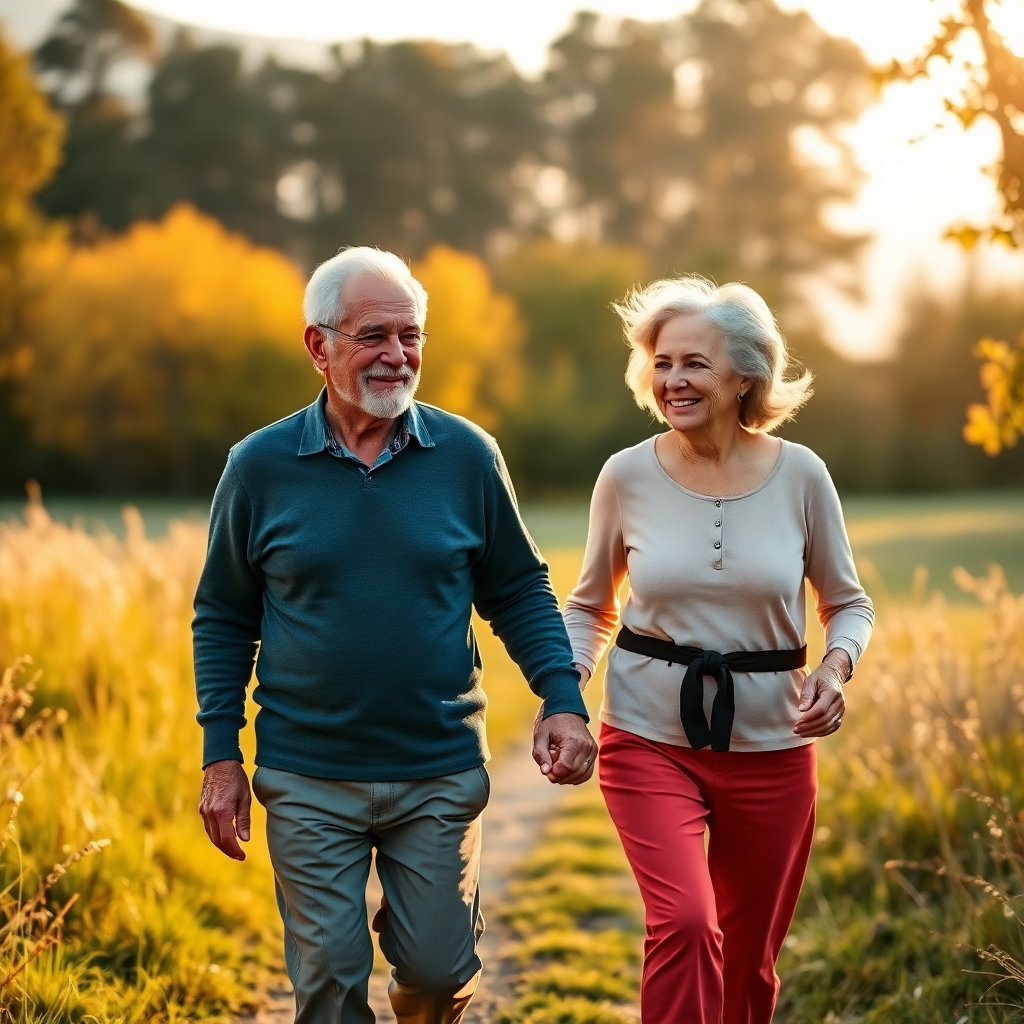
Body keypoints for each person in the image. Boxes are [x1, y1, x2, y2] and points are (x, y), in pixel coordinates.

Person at [193, 246, 597, 1024]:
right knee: (330, 981)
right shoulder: (260, 467)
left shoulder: (468, 457)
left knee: (439, 973)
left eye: (410, 336)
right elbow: (223, 617)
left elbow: (517, 588)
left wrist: (562, 698)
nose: (397, 355)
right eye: (373, 335)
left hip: (438, 766)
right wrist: (220, 754)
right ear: (319, 346)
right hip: (307, 771)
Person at [563, 276, 873, 1024]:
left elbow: (848, 603)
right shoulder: (626, 475)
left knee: (749, 957)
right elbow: (589, 604)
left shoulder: (802, 475)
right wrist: (564, 699)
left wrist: (835, 668)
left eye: (694, 364)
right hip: (647, 738)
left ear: (744, 375)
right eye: (663, 362)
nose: (674, 379)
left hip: (772, 744)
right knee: (686, 924)